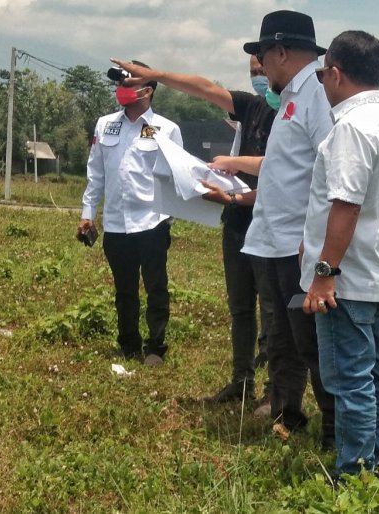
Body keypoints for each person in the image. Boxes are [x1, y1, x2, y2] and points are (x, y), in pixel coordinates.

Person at [109, 56, 276, 405]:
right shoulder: (253, 107)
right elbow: (205, 88)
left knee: (274, 313)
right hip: (236, 219)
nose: (260, 77)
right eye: (254, 71)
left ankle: (276, 394)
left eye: (263, 69)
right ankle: (241, 381)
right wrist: (157, 74)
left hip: (274, 223)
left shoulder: (299, 114)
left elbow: (286, 170)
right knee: (241, 308)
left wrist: (232, 174)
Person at [300, 30, 379, 477]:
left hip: (348, 279)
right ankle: (378, 461)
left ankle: (355, 469)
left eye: (322, 73)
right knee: (374, 375)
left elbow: (346, 205)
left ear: (335, 73)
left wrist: (324, 271)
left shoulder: (351, 127)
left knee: (349, 379)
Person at [241, 10, 336, 449]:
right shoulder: (288, 100)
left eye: (262, 55)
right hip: (272, 240)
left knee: (310, 343)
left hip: (296, 246)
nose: (260, 65)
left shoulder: (316, 98)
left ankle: (335, 430)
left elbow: (330, 169)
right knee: (280, 336)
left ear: (281, 51)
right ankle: (286, 412)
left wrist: (312, 239)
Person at [78, 62, 183, 367]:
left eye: (128, 83)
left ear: (147, 90)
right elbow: (95, 172)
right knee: (124, 289)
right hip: (115, 223)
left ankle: (155, 346)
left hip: (152, 222)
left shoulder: (167, 129)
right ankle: (128, 344)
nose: (120, 89)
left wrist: (168, 219)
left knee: (155, 287)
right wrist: (88, 214)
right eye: (119, 83)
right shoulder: (105, 125)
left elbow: (176, 178)